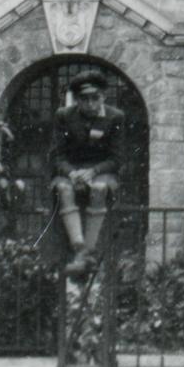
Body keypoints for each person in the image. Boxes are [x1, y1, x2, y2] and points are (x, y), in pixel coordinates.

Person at [51, 73, 123, 273]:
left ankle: (88, 251)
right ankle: (78, 247)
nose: (90, 104)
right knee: (64, 190)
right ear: (77, 100)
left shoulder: (114, 117)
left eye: (95, 98)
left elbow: (116, 159)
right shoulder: (64, 116)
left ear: (103, 97)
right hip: (71, 171)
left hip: (101, 171)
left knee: (99, 189)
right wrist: (72, 173)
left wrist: (93, 171)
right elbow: (56, 156)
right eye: (84, 99)